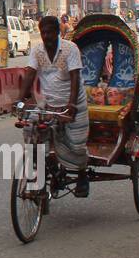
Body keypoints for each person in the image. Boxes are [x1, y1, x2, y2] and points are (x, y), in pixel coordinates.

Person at [19, 15, 90, 196]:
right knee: (31, 129)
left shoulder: (69, 49)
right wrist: (19, 100)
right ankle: (40, 169)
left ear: (58, 32)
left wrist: (72, 104)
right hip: (50, 103)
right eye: (43, 32)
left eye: (50, 32)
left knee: (76, 145)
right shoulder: (37, 51)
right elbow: (29, 74)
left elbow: (75, 77)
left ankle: (82, 175)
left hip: (73, 102)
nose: (46, 36)